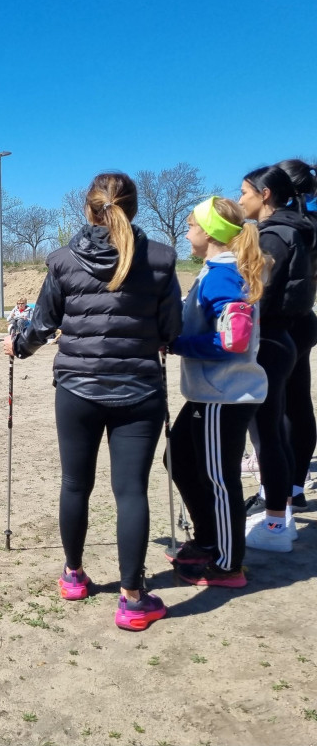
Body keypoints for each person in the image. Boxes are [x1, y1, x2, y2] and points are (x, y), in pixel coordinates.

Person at [3, 171, 181, 632]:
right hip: (139, 390)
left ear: (88, 208)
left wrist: (18, 347)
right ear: (134, 208)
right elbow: (170, 331)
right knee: (130, 493)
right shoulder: (161, 259)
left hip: (78, 390)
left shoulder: (63, 260)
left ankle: (74, 576)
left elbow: (41, 323)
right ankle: (132, 598)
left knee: (75, 485)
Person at [165, 197, 267, 588]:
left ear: (207, 233)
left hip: (225, 396)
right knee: (178, 459)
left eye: (190, 225)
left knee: (220, 479)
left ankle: (228, 564)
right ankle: (208, 538)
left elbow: (234, 339)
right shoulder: (211, 271)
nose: (186, 232)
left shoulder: (224, 274)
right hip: (207, 394)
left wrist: (178, 345)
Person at [238, 165, 313, 552]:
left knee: (268, 430)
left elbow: (257, 295)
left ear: (265, 195)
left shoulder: (273, 236)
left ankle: (275, 525)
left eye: (244, 193)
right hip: (288, 331)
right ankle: (281, 515)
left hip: (270, 335)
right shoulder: (295, 227)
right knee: (278, 424)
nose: (240, 200)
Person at [275, 159, 317, 510]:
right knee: (299, 404)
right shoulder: (311, 219)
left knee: (276, 409)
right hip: (305, 319)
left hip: (282, 323)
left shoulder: (285, 227)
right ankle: (295, 486)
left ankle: (277, 493)